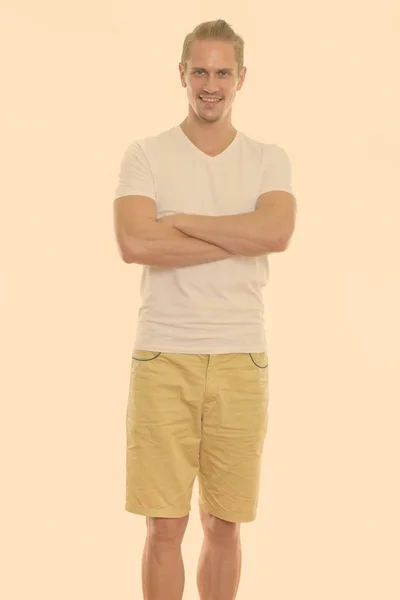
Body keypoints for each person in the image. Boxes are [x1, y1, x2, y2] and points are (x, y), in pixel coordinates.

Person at [113, 18, 297, 600]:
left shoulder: (269, 158)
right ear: (182, 74)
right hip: (164, 356)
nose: (210, 84)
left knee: (225, 523)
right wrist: (238, 234)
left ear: (242, 77)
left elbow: (277, 232)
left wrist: (183, 221)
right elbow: (136, 245)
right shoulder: (146, 154)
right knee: (165, 525)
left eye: (222, 72)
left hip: (242, 359)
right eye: (200, 70)